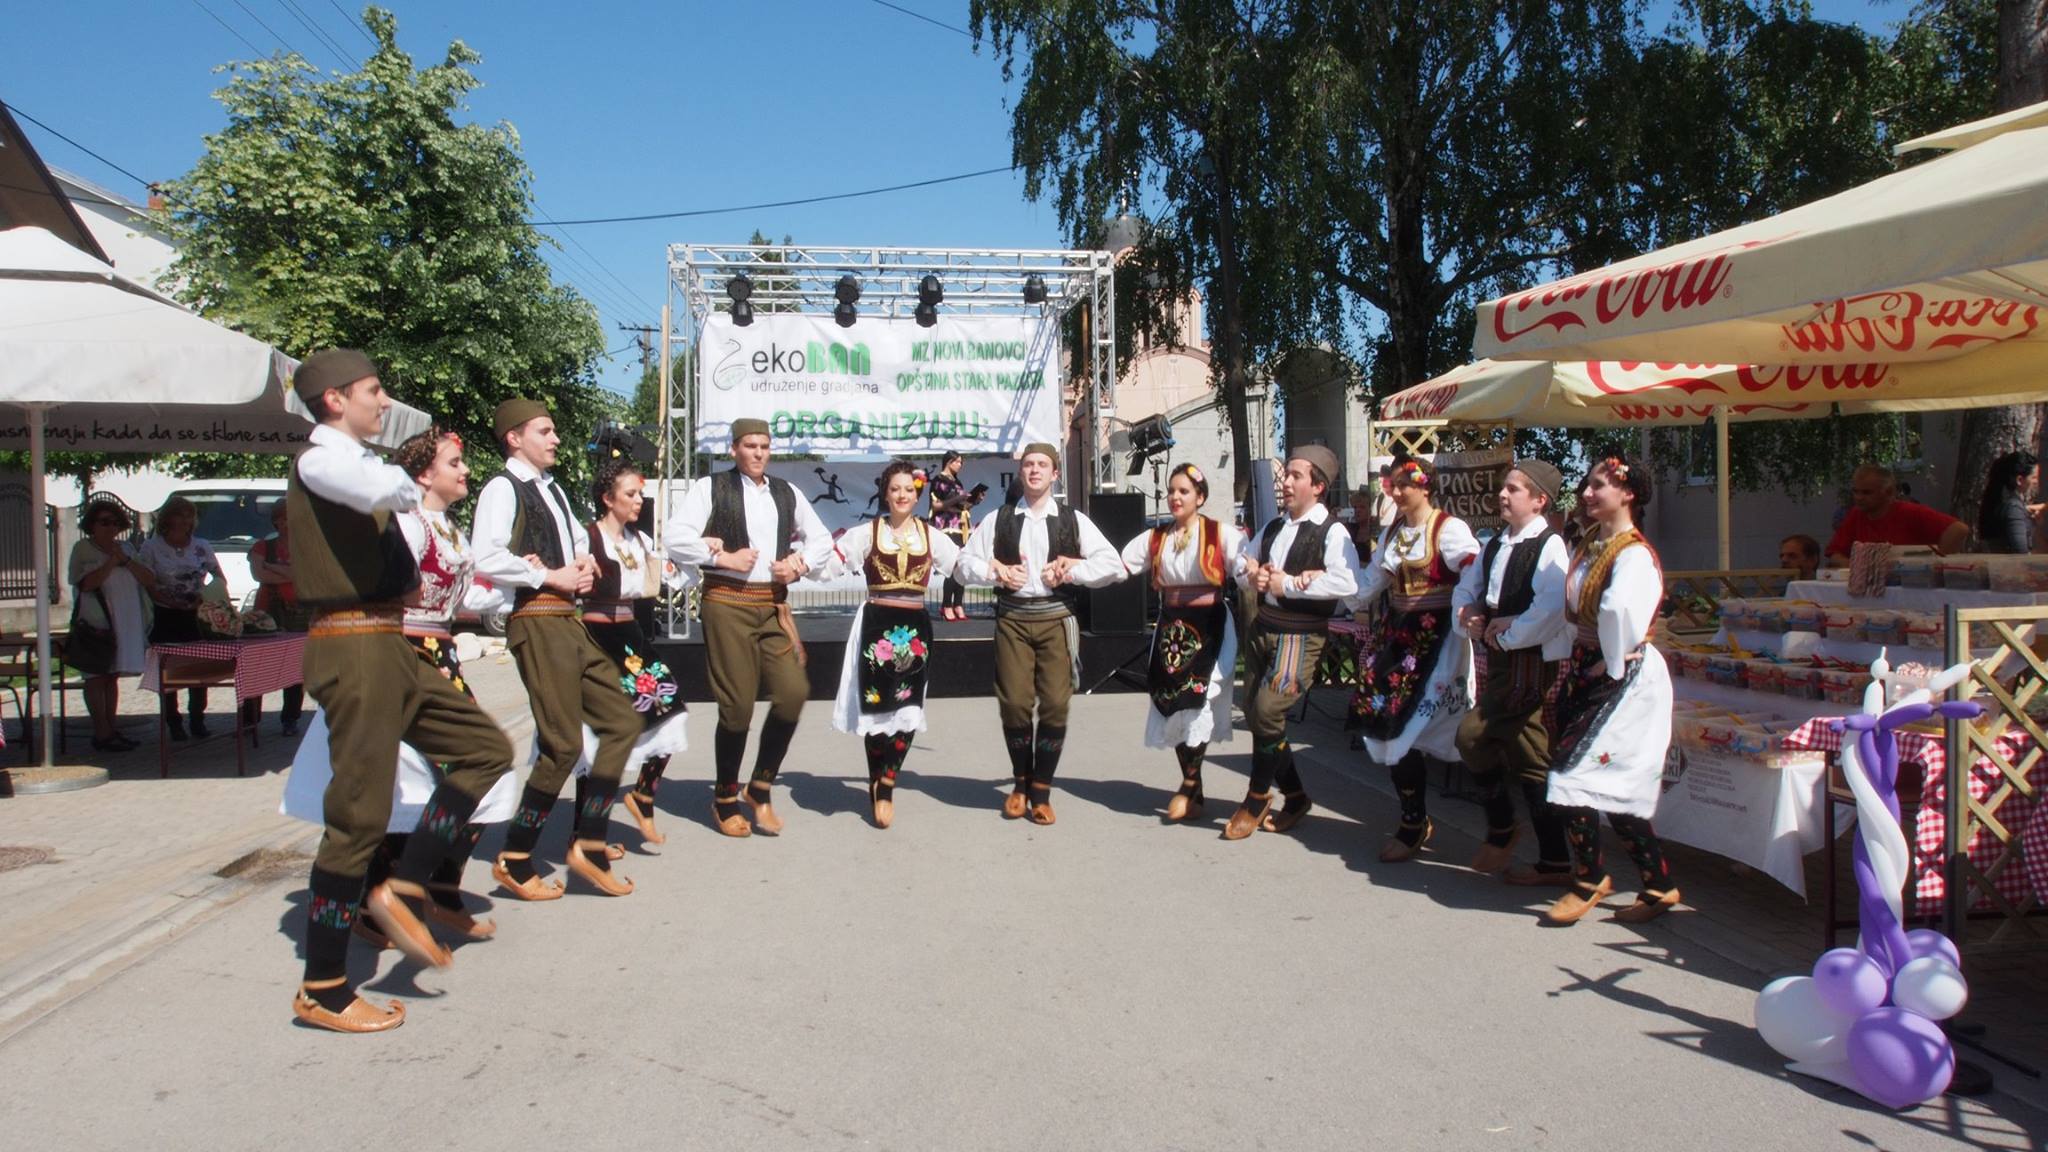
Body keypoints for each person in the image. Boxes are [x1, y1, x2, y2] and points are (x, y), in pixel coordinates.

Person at [284, 348, 513, 1033]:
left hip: (392, 643)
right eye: (373, 391)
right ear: (334, 400)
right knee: (357, 819)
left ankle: (408, 883)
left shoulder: (356, 463)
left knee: (483, 750)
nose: (383, 402)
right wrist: (416, 483)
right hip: (351, 647)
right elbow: (376, 488)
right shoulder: (321, 459)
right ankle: (323, 989)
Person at [473, 398, 645, 898]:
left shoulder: (551, 489)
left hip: (565, 620)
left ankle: (587, 843)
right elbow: (484, 554)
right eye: (545, 431)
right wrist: (545, 574)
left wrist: (585, 565)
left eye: (553, 431)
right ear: (514, 437)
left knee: (622, 719)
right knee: (564, 745)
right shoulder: (501, 489)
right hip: (534, 620)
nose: (555, 439)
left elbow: (576, 544)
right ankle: (517, 853)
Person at [665, 417, 835, 837]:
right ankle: (725, 796)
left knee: (793, 693)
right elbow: (675, 536)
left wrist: (798, 565)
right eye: (749, 446)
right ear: (734, 449)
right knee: (737, 706)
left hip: (772, 605)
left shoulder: (785, 491)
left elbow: (822, 539)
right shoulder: (712, 488)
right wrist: (722, 559)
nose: (758, 453)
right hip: (727, 604)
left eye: (764, 446)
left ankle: (760, 785)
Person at [955, 442, 1127, 825]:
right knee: (1015, 703)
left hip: (1056, 619)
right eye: (1029, 464)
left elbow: (1113, 565)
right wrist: (994, 571)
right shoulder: (999, 519)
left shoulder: (1072, 520)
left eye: (1042, 464)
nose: (1034, 470)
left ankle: (1041, 790)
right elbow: (962, 563)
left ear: (1054, 474)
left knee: (1054, 704)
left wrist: (1072, 568)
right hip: (1013, 620)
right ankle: (1020, 783)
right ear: (1022, 473)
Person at [1543, 455, 1680, 925]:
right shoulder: (1589, 542)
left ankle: (1589, 878)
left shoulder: (1634, 553)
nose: (1586, 492)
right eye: (1587, 483)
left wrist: (1611, 657)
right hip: (1590, 664)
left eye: (1598, 485)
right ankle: (1659, 885)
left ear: (1628, 494)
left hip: (1622, 673)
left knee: (1570, 771)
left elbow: (1623, 611)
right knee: (1607, 780)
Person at [1223, 444, 1360, 841]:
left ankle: (1257, 795)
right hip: (1263, 628)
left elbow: (1349, 583)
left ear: (1318, 486)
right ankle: (1297, 796)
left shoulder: (1332, 531)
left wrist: (1291, 583)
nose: (1285, 481)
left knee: (1267, 710)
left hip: (1300, 635)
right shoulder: (1273, 527)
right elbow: (1240, 565)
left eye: (1296, 475)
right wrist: (1252, 572)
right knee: (1255, 714)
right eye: (1287, 475)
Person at [1347, 454, 1479, 862]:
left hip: (1437, 639)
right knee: (1387, 723)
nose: (1398, 491)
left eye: (1406, 483)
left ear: (1426, 486)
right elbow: (1370, 583)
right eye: (1395, 483)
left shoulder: (1449, 529)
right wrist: (1328, 588)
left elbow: (1474, 567)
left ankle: (1424, 822)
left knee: (1412, 726)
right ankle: (1413, 817)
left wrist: (1467, 604)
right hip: (1398, 636)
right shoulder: (1394, 533)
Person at [818, 460, 963, 828]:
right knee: (877, 709)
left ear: (918, 494)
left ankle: (889, 779)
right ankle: (877, 782)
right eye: (895, 488)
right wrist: (800, 563)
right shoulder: (866, 533)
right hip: (877, 625)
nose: (902, 495)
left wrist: (998, 568)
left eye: (909, 489)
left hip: (914, 627)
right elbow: (831, 562)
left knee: (909, 708)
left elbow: (963, 567)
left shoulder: (931, 536)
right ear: (886, 492)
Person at [1451, 460, 1572, 882]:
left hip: (1531, 662)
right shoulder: (1495, 543)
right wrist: (1468, 613)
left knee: (1471, 736)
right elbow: (1468, 589)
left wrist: (1508, 632)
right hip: (1503, 659)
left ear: (1540, 500)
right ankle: (1555, 859)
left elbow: (1552, 606)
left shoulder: (1550, 545)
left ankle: (1503, 827)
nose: (1503, 495)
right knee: (1530, 756)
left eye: (1515, 489)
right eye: (1504, 488)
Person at [1118, 463, 1248, 821]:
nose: (1176, 497)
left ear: (1201, 497)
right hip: (1172, 629)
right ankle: (1195, 790)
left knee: (1198, 699)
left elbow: (1245, 567)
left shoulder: (1221, 534)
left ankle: (1189, 788)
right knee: (1171, 700)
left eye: (1184, 491)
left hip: (1210, 627)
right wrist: (1076, 567)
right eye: (1172, 491)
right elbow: (1118, 566)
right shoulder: (1156, 537)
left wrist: (1253, 572)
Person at [575, 459, 692, 846]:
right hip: (594, 635)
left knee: (670, 708)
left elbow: (672, 578)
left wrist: (694, 555)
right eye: (630, 494)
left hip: (630, 635)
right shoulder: (585, 538)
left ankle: (643, 795)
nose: (639, 500)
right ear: (608, 499)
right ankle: (584, 831)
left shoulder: (639, 543)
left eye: (639, 493)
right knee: (595, 733)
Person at [137, 496, 228, 741]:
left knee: (199, 669)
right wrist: (164, 599)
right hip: (165, 614)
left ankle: (198, 718)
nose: (186, 519)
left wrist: (207, 596)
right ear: (168, 518)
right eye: (180, 514)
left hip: (196, 613)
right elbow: (146, 580)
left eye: (190, 515)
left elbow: (218, 575)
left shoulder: (202, 545)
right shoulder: (151, 547)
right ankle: (173, 721)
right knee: (170, 671)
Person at [68, 501, 154, 751]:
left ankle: (111, 729)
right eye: (105, 522)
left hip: (125, 622)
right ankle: (101, 732)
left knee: (112, 676)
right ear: (92, 524)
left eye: (115, 522)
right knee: (96, 676)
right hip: (97, 622)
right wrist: (109, 563)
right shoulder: (83, 549)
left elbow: (148, 578)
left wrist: (125, 560)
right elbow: (83, 583)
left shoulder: (126, 548)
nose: (111, 527)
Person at [1824, 464, 1969, 566]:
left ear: (1888, 492)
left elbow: (1959, 529)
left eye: (1866, 492)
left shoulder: (1911, 512)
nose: (1859, 497)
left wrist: (1937, 564)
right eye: (1855, 491)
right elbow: (1835, 554)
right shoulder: (1856, 514)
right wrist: (1858, 569)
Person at [246, 499, 308, 736]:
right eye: (279, 519)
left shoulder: (306, 546)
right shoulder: (263, 546)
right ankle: (250, 719)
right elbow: (258, 574)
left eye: (288, 518)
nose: (284, 524)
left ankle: (290, 718)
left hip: (299, 612)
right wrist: (291, 574)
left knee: (295, 668)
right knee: (257, 665)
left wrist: (275, 569)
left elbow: (307, 576)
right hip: (267, 611)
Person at [927, 450, 983, 621]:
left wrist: (974, 500)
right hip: (946, 526)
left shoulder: (957, 481)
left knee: (962, 565)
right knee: (952, 566)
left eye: (961, 462)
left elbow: (962, 507)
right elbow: (936, 505)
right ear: (949, 462)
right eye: (958, 461)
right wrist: (958, 497)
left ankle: (958, 603)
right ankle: (946, 605)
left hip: (961, 526)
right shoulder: (939, 480)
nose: (960, 465)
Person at [1976, 449, 2038, 554]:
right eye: (2034, 477)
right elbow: (2020, 554)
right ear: (2019, 480)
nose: (2037, 482)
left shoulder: (1999, 502)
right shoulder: (2013, 508)